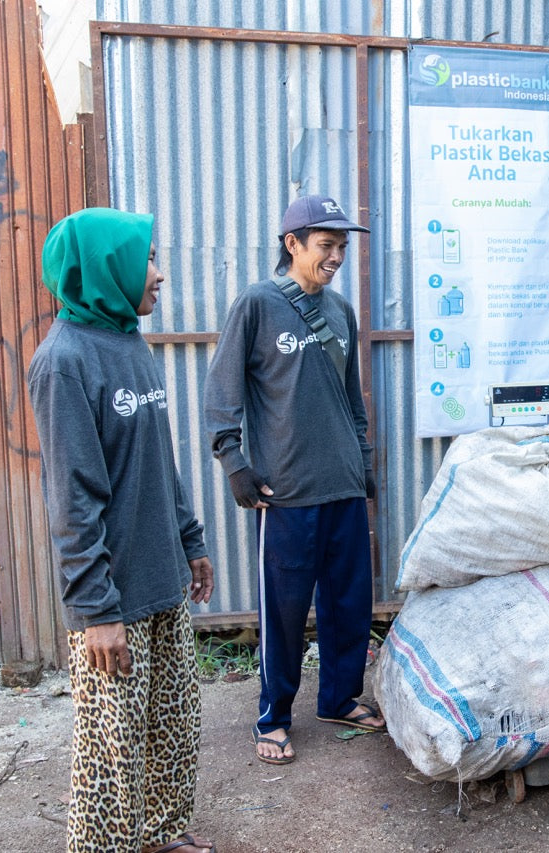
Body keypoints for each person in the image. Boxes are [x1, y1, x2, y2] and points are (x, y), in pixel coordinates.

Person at [27, 208, 217, 853]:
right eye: (148, 261)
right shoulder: (64, 362)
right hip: (113, 595)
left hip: (161, 572)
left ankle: (162, 836)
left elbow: (158, 461)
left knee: (172, 724)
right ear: (108, 267)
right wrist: (96, 611)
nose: (159, 275)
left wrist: (189, 542)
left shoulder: (128, 341)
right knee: (112, 752)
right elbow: (72, 498)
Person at [204, 194, 384, 765]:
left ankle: (337, 697)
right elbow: (221, 392)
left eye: (342, 247)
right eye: (326, 246)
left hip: (343, 487)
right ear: (293, 244)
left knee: (349, 602)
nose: (336, 257)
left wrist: (365, 462)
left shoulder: (340, 313)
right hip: (285, 494)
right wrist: (233, 459)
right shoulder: (258, 304)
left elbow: (353, 399)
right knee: (283, 612)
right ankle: (273, 715)